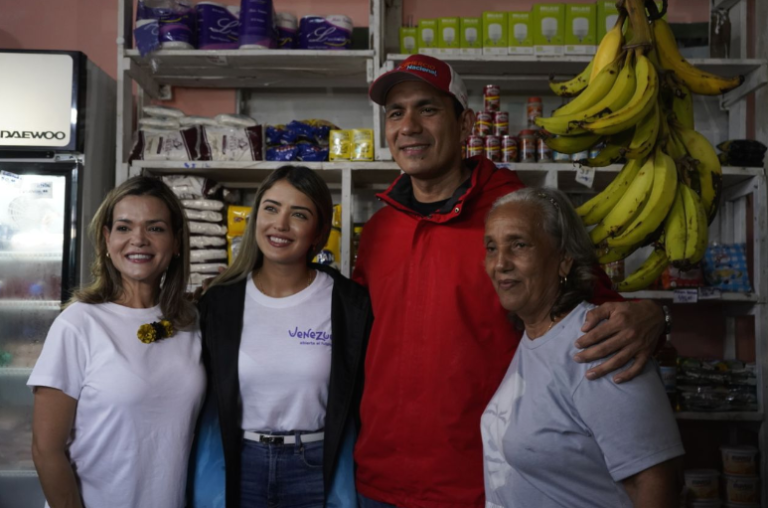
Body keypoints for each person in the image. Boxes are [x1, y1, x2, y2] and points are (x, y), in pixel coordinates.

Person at [352, 54, 670, 507]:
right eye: (395, 113)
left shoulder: (514, 215)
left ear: (465, 125)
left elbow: (599, 306)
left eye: (427, 108)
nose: (409, 126)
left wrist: (651, 316)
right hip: (378, 481)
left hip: (481, 480)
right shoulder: (381, 229)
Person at [481, 187, 684, 508]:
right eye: (491, 248)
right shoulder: (534, 336)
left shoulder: (597, 344)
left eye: (519, 244)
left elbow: (655, 482)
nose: (500, 263)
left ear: (564, 260)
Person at [198, 165, 372, 508]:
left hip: (318, 467)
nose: (280, 224)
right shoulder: (219, 302)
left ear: (319, 232)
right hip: (238, 465)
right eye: (271, 208)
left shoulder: (349, 303)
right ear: (256, 216)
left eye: (299, 214)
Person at [28, 176, 205, 508]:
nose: (138, 239)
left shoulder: (189, 322)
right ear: (107, 239)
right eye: (124, 228)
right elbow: (45, 449)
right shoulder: (80, 323)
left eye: (155, 228)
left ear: (176, 242)